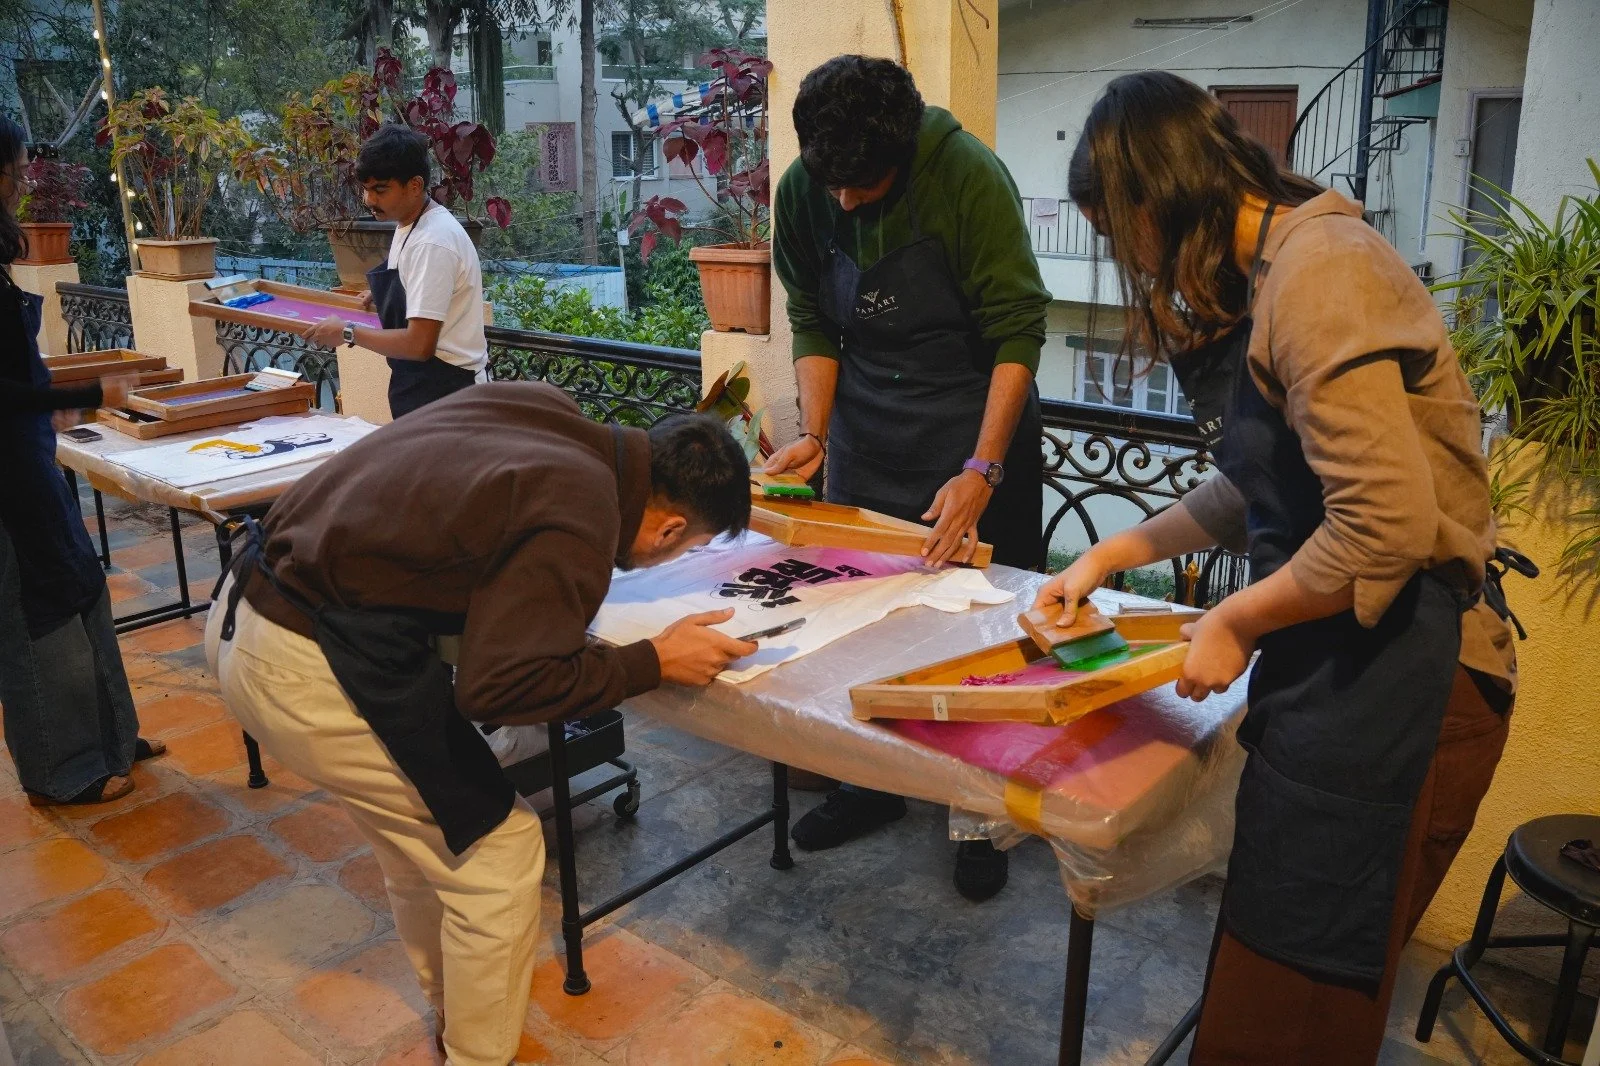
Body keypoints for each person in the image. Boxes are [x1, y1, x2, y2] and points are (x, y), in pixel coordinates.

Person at [1034, 71, 1528, 1065]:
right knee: (1263, 989)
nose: (1128, 260)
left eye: (1115, 230)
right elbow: (1267, 488)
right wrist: (1118, 547)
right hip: (1341, 668)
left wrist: (1234, 620)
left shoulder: (1319, 270)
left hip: (1408, 684)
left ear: (1152, 197)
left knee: (1286, 1019)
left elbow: (1383, 526)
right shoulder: (1274, 273)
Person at [204, 383, 758, 1066]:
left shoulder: (542, 408)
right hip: (305, 660)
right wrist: (653, 660)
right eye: (687, 549)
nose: (672, 560)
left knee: (432, 842)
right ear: (671, 526)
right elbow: (501, 688)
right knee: (500, 853)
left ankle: (450, 1010)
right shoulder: (580, 511)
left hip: (248, 604)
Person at [765, 55, 1051, 900]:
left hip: (974, 422)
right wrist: (816, 435)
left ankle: (980, 820)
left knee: (981, 636)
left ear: (902, 150)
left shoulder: (968, 176)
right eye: (834, 184)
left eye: (864, 187)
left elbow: (1017, 332)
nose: (846, 202)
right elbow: (813, 317)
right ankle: (870, 784)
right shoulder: (807, 185)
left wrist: (982, 468)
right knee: (870, 617)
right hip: (867, 428)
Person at [0, 118, 164, 807]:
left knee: (81, 583)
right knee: (37, 610)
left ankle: (113, 736)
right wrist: (86, 393)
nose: (19, 184)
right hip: (5, 470)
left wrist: (64, 400)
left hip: (28, 449)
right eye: (14, 171)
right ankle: (61, 767)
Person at [301, 124, 489, 418]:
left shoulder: (433, 241)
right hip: (421, 389)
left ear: (414, 185)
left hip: (449, 397)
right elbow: (422, 293)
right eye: (365, 189)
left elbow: (419, 344)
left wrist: (348, 332)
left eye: (380, 190)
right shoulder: (409, 224)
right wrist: (384, 297)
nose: (369, 200)